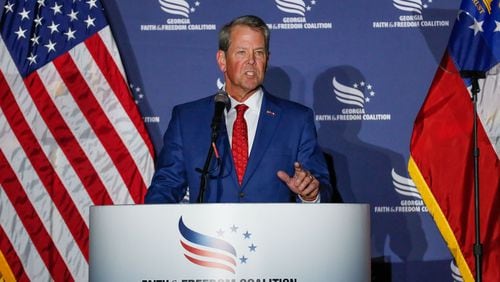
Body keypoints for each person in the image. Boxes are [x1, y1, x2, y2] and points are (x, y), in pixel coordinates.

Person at [145, 15, 332, 203]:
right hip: (205, 231)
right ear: (222, 60)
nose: (251, 60)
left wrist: (309, 193)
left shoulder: (296, 120)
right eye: (242, 52)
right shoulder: (187, 118)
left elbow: (321, 186)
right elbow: (166, 185)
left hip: (274, 231)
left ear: (267, 59)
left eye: (259, 52)